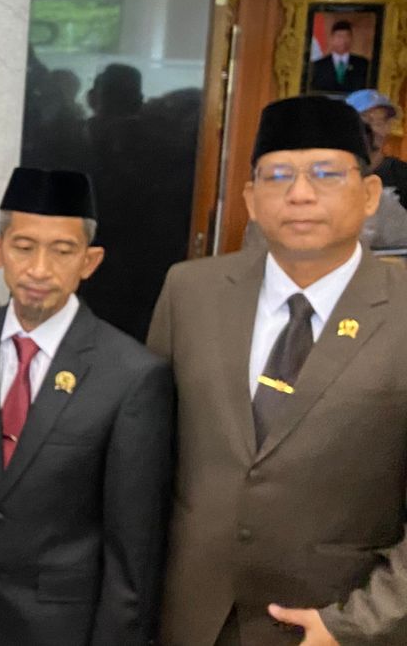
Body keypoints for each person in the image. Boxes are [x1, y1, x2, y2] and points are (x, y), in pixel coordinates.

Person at [149, 95, 407, 645]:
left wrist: (359, 623)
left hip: (336, 621)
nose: (301, 194)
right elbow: (149, 459)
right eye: (279, 175)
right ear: (250, 199)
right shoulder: (190, 292)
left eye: (325, 174)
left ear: (369, 195)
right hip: (191, 619)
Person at [0, 168, 173, 646]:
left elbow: (133, 548)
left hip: (60, 628)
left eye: (62, 251)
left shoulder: (131, 374)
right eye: (24, 247)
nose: (39, 269)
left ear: (89, 261)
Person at [346, 88, 407, 208]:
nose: (374, 129)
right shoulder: (328, 173)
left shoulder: (402, 176)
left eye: (381, 122)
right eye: (366, 121)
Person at [308, 20, 371, 94]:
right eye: (339, 36)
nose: (343, 40)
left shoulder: (362, 63)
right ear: (332, 39)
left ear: (351, 39)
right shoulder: (318, 65)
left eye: (346, 36)